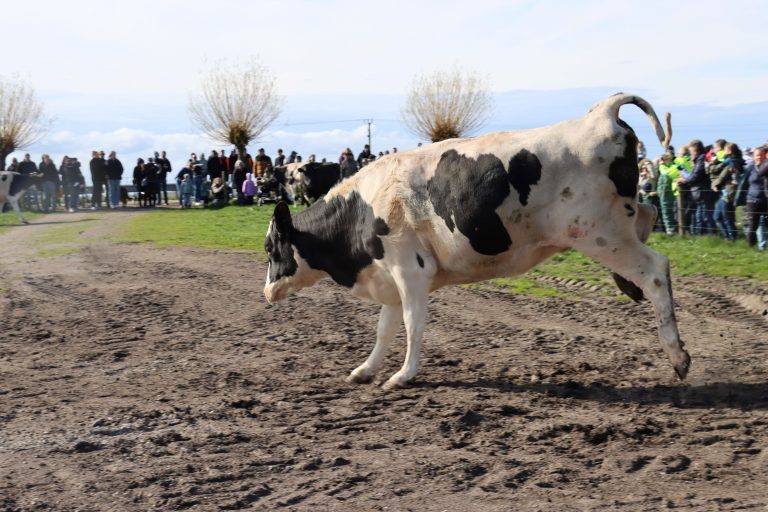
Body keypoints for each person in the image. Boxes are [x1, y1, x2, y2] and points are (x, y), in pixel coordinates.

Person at [678, 140, 715, 235]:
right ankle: (703, 238)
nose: (690, 153)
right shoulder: (698, 159)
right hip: (699, 193)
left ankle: (712, 237)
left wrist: (685, 180)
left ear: (695, 150)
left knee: (706, 217)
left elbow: (696, 175)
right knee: (700, 217)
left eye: (691, 151)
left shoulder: (701, 160)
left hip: (703, 192)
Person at [711, 143, 743, 241]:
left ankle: (732, 238)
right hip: (728, 191)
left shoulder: (731, 162)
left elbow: (722, 177)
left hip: (728, 192)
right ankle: (728, 236)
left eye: (726, 150)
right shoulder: (737, 160)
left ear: (729, 151)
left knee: (725, 217)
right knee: (718, 216)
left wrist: (714, 184)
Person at [743, 146, 768, 250]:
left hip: (766, 199)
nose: (760, 157)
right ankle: (751, 247)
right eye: (757, 155)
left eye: (762, 155)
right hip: (753, 199)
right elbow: (743, 182)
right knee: (753, 225)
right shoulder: (750, 168)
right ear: (753, 156)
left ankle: (763, 246)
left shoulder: (766, 166)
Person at [656, 151, 680, 235]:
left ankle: (673, 229)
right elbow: (666, 174)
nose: (663, 160)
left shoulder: (673, 166)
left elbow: (668, 173)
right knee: (667, 210)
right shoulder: (664, 167)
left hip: (674, 192)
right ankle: (670, 229)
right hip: (668, 192)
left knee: (673, 211)